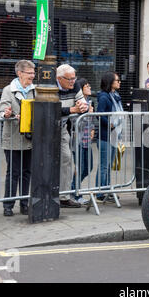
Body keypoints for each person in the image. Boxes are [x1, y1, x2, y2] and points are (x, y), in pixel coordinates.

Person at [0, 60, 36, 216]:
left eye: (34, 73)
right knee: (13, 173)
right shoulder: (9, 90)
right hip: (12, 138)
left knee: (27, 172)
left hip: (29, 138)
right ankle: (8, 205)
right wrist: (9, 114)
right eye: (29, 73)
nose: (33, 76)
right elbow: (1, 110)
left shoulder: (35, 90)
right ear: (19, 73)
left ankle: (24, 203)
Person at [56, 64, 88, 208]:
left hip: (62, 128)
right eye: (69, 79)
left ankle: (63, 196)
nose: (73, 82)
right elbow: (51, 108)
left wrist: (83, 106)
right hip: (46, 129)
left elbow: (82, 102)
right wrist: (71, 109)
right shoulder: (51, 86)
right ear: (59, 79)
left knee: (67, 158)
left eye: (74, 78)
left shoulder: (74, 86)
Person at [96, 72, 123, 201]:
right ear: (110, 82)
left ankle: (105, 189)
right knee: (104, 165)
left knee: (109, 165)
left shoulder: (115, 96)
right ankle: (100, 192)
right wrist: (110, 125)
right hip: (105, 136)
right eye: (117, 80)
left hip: (113, 136)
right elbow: (99, 115)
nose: (119, 82)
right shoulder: (104, 97)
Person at [71, 78, 95, 205]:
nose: (89, 88)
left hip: (87, 140)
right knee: (80, 167)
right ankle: (74, 193)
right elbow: (76, 122)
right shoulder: (79, 103)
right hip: (78, 141)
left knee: (88, 167)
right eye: (87, 86)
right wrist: (87, 113)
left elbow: (90, 121)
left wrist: (92, 129)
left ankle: (73, 188)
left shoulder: (89, 102)